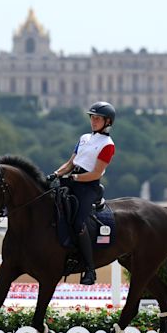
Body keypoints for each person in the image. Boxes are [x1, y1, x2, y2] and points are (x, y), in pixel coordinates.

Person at [47, 101, 116, 285]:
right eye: (92, 118)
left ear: (107, 122)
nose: (93, 121)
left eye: (98, 119)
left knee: (78, 223)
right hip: (72, 180)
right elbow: (70, 163)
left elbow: (96, 173)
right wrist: (55, 174)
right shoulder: (84, 138)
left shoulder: (108, 145)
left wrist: (74, 179)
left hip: (89, 186)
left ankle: (90, 269)